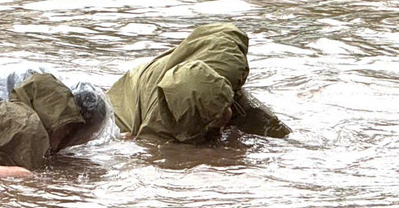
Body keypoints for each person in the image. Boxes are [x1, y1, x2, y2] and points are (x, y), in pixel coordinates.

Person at [106, 22, 290, 143]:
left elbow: (229, 33)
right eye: (215, 120)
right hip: (126, 101)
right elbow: (153, 155)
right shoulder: (158, 124)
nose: (223, 121)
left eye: (223, 107)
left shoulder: (230, 68)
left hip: (188, 75)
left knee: (273, 131)